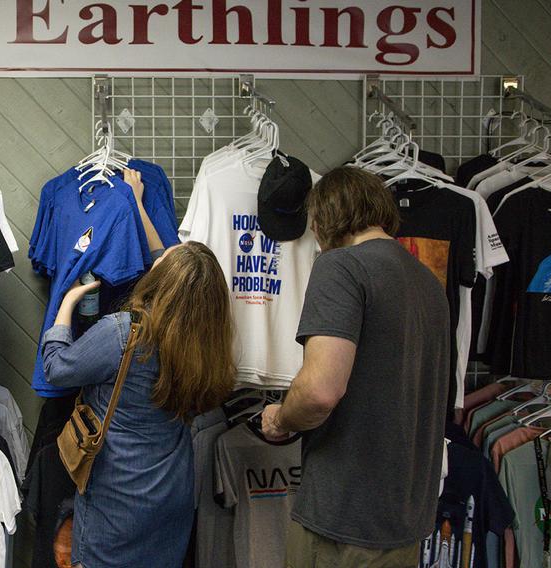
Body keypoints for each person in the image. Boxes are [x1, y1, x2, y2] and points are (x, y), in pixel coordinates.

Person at [42, 168, 236, 568]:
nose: (161, 253)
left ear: (163, 281)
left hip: (117, 499)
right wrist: (135, 197)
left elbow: (57, 369)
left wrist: (65, 304)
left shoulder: (124, 334)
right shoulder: (205, 344)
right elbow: (171, 263)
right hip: (172, 497)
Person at [262, 166, 450, 568]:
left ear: (325, 217)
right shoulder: (428, 282)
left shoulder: (342, 267)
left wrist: (281, 418)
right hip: (404, 521)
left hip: (344, 523)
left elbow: (318, 391)